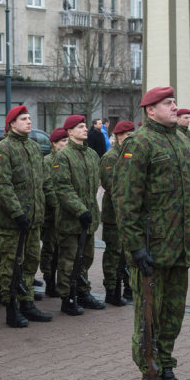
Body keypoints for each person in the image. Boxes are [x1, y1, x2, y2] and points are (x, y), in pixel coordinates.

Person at [114, 86, 190, 380]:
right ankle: (148, 377)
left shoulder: (181, 139)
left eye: (175, 101)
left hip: (179, 248)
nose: (175, 107)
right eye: (168, 103)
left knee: (173, 316)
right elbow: (125, 201)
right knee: (150, 319)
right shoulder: (139, 143)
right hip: (153, 248)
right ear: (150, 111)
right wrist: (136, 247)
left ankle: (165, 371)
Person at [0, 105, 52, 327]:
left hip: (33, 220)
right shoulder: (3, 148)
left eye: (29, 118)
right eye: (23, 119)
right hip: (14, 222)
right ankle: (11, 306)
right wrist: (17, 213)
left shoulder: (34, 148)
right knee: (11, 264)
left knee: (30, 263)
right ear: (12, 123)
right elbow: (2, 184)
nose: (29, 122)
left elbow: (42, 182)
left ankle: (26, 302)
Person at [52, 115, 105, 315]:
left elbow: (96, 186)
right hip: (70, 220)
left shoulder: (91, 154)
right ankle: (68, 297)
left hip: (88, 219)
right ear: (70, 132)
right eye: (80, 127)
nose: (85, 129)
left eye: (85, 126)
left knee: (86, 258)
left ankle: (82, 292)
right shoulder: (63, 156)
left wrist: (90, 212)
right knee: (69, 260)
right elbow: (63, 187)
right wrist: (79, 209)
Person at [100, 120, 135, 307]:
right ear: (118, 137)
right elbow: (112, 185)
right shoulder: (111, 157)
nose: (131, 139)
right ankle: (111, 291)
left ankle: (127, 288)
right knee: (114, 254)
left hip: (127, 214)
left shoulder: (129, 155)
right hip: (114, 214)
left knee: (125, 255)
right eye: (127, 136)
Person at [40, 128, 68, 297]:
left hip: (65, 213)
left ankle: (60, 280)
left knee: (62, 249)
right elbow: (47, 186)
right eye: (62, 142)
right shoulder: (47, 161)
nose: (65, 144)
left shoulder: (67, 159)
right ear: (54, 144)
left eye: (66, 141)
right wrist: (57, 206)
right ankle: (49, 280)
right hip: (51, 213)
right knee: (50, 248)